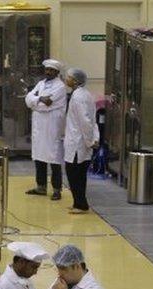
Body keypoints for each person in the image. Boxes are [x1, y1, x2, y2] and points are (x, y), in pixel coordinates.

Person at [24, 59, 67, 200]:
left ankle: (56, 189)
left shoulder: (60, 87)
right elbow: (28, 99)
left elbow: (47, 104)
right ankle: (41, 187)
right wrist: (39, 100)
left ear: (57, 72)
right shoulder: (41, 84)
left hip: (52, 127)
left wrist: (36, 101)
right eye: (47, 69)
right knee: (39, 157)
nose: (48, 72)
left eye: (51, 70)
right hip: (39, 127)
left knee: (54, 159)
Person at [62, 68, 99, 214]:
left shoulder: (78, 98)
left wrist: (90, 141)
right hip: (80, 141)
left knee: (74, 174)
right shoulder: (83, 94)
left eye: (69, 77)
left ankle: (81, 205)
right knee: (78, 175)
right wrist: (93, 139)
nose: (67, 79)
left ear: (75, 81)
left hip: (78, 143)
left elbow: (86, 122)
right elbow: (91, 120)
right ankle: (78, 202)